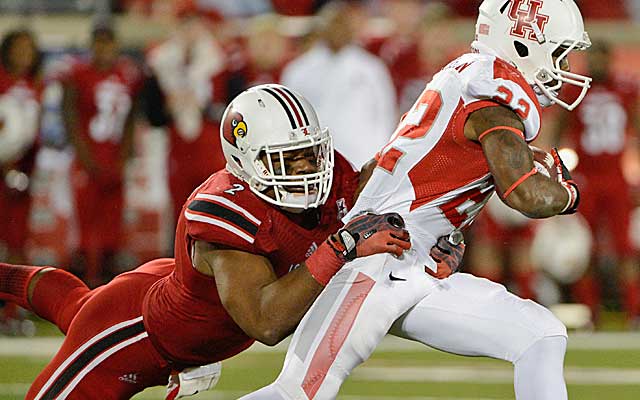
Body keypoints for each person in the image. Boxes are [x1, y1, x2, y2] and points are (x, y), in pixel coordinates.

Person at [0, 84, 448, 399]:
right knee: (83, 312)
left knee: (77, 304)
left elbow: (386, 189)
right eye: (288, 161)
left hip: (185, 305)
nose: (308, 170)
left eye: (311, 153)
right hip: (132, 335)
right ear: (245, 161)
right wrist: (342, 246)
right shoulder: (224, 213)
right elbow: (264, 323)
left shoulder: (328, 178)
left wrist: (440, 231)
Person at [240, 0, 591, 399]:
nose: (564, 69)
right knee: (299, 392)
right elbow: (526, 194)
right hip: (376, 257)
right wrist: (571, 194)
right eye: (560, 53)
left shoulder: (471, 76)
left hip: (415, 266)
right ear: (525, 45)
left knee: (541, 334)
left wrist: (444, 230)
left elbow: (425, 174)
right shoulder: (491, 95)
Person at [553, 40, 640, 325]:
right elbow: (558, 131)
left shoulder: (626, 89)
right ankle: (590, 312)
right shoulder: (575, 90)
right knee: (584, 247)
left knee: (623, 248)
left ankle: (633, 310)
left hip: (615, 177)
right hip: (586, 179)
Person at [62, 24, 142, 286]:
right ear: (92, 45)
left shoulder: (127, 75)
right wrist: (86, 159)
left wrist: (123, 157)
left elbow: (131, 117)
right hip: (88, 159)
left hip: (113, 158)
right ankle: (82, 287)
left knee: (112, 229)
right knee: (85, 228)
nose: (104, 49)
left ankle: (108, 288)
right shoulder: (78, 75)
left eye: (109, 43)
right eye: (99, 43)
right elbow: (70, 116)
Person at [281, 1, 397, 169]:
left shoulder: (371, 68)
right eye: (332, 24)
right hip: (314, 160)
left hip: (362, 157)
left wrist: (379, 154)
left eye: (342, 24)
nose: (337, 29)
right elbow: (289, 116)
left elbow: (385, 114)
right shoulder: (299, 70)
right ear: (320, 28)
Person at [144, 1, 229, 225]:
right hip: (178, 148)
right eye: (184, 24)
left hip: (211, 149)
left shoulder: (221, 62)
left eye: (194, 24)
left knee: (215, 208)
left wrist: (203, 106)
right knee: (180, 212)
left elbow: (232, 108)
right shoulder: (161, 63)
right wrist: (171, 106)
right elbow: (153, 115)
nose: (190, 31)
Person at [0, 28, 43, 335]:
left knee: (17, 244)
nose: (23, 54)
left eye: (29, 48)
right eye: (19, 48)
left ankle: (12, 312)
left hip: (19, 173)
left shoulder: (35, 85)